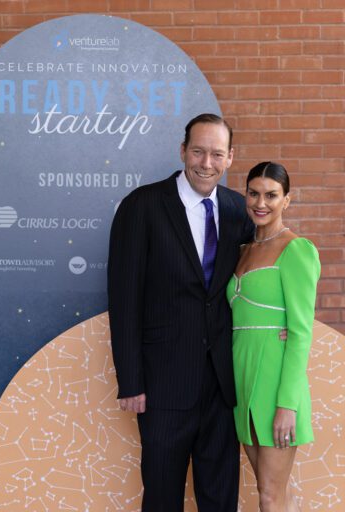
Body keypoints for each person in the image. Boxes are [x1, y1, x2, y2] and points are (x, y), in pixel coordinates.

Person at [107, 113, 253, 511]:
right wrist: (131, 380)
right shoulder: (143, 206)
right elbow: (123, 299)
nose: (207, 163)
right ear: (183, 151)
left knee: (220, 497)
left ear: (230, 158)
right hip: (161, 385)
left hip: (223, 387)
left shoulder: (239, 211)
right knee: (161, 497)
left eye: (217, 154)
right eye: (199, 151)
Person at [229, 161, 320, 512]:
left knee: (270, 495)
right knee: (272, 492)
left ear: (287, 200)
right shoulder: (242, 251)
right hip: (241, 379)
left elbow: (300, 332)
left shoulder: (296, 249)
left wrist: (287, 405)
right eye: (254, 193)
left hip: (274, 383)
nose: (260, 202)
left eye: (271, 195)